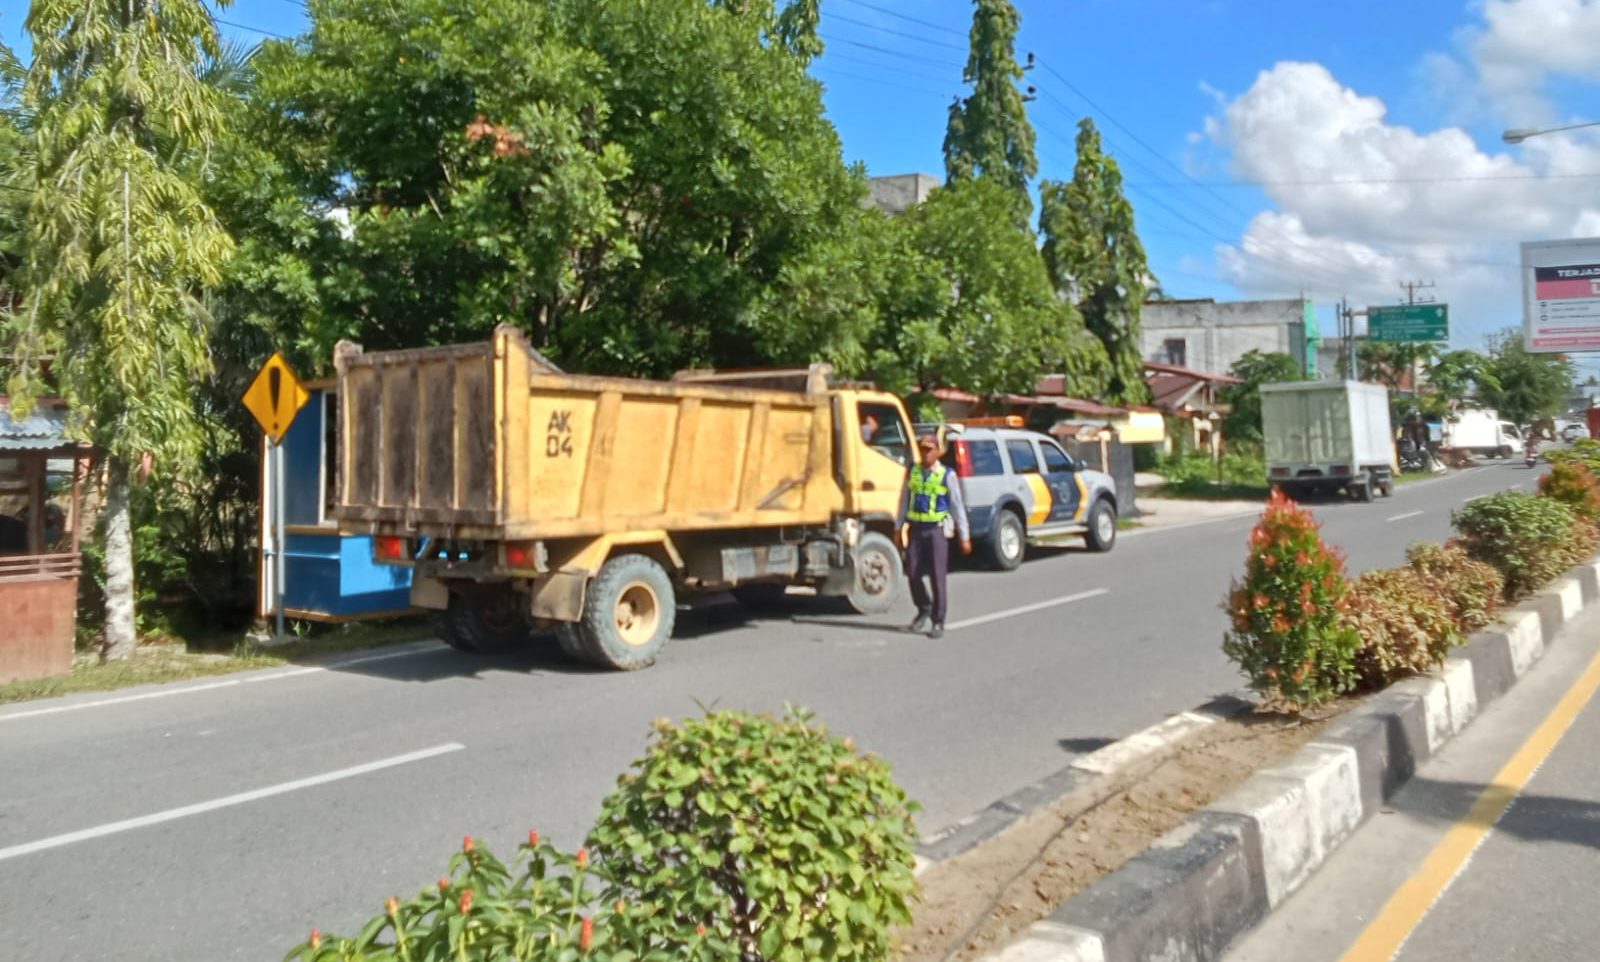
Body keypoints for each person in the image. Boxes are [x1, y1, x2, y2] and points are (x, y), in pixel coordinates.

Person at [900, 434, 971, 638]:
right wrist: (898, 526)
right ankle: (924, 607)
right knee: (912, 573)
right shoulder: (913, 472)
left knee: (937, 576)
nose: (926, 453)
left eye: (930, 449)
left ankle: (938, 620)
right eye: (923, 449)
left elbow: (957, 506)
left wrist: (964, 535)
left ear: (938, 451)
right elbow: (904, 501)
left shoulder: (946, 475)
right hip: (915, 529)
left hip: (936, 530)